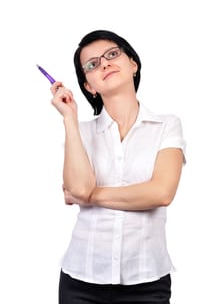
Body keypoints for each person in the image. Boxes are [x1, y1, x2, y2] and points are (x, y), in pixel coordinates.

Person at [50, 30, 186, 304]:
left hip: (147, 281)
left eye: (112, 54)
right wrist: (69, 118)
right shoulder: (81, 133)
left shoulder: (166, 126)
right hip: (81, 279)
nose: (104, 64)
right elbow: (78, 187)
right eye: (92, 64)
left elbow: (161, 193)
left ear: (132, 64)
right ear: (89, 86)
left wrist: (89, 196)